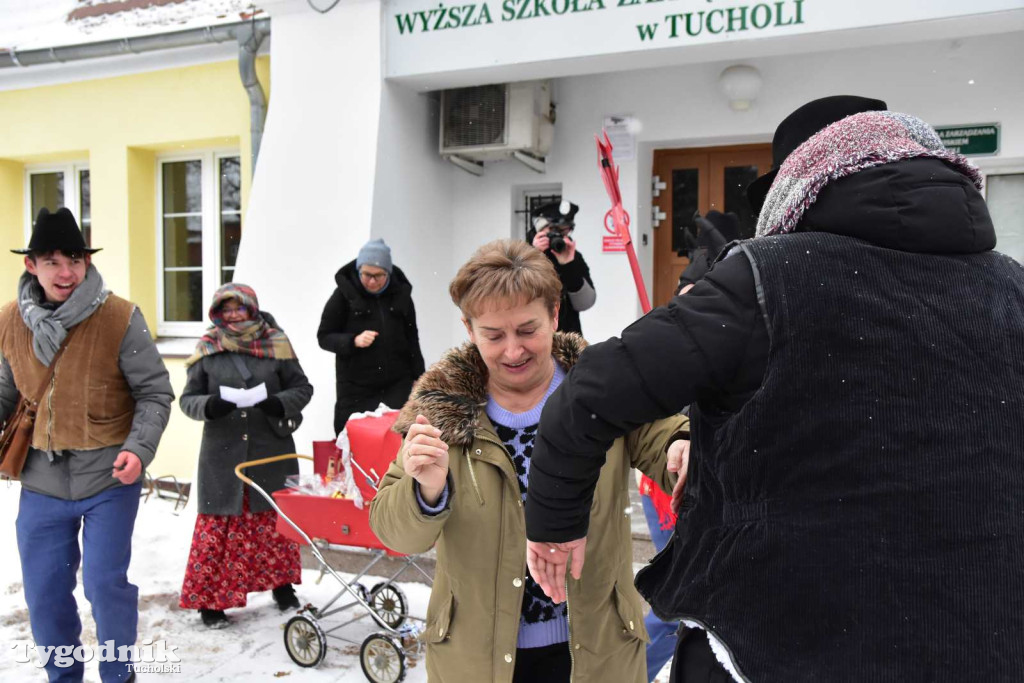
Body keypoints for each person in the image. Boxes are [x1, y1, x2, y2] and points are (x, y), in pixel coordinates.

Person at [524, 96, 1024, 682]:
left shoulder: (769, 278)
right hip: (978, 638)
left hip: (773, 637)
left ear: (799, 185)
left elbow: (591, 392)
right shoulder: (1011, 288)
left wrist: (555, 527)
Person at [369, 239, 686, 682]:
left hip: (598, 654)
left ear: (555, 315)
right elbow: (394, 533)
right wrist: (426, 491)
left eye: (527, 330)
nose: (513, 351)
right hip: (477, 663)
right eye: (494, 335)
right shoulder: (441, 411)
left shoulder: (602, 390)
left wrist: (680, 445)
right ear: (469, 328)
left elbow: (662, 436)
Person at [0, 207, 174, 683]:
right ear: (31, 265)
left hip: (108, 478)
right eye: (52, 261)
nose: (66, 272)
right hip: (41, 482)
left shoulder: (120, 317)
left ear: (87, 261)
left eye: (74, 259)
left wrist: (138, 449)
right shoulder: (10, 321)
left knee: (104, 585)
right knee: (45, 594)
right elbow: (5, 394)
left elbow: (155, 393)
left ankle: (118, 675)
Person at [178, 283, 313, 629]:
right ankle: (210, 603)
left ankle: (282, 587)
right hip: (222, 455)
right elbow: (187, 400)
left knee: (274, 523)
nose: (234, 315)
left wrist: (278, 403)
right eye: (227, 309)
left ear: (252, 308)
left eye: (239, 308)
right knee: (219, 527)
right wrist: (210, 405)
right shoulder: (208, 347)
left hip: (271, 450)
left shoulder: (277, 342)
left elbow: (302, 388)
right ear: (217, 313)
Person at [318, 238, 425, 435]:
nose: (372, 281)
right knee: (357, 439)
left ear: (388, 273)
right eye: (367, 275)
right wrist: (353, 341)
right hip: (356, 388)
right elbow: (324, 337)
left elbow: (412, 337)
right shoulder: (343, 295)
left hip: (397, 384)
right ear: (359, 270)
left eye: (379, 275)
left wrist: (420, 377)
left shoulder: (401, 295)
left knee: (396, 438)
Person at [529, 200, 596, 337]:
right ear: (540, 228)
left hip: (567, 339)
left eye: (565, 231)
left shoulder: (573, 256)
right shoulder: (521, 252)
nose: (559, 236)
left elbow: (585, 303)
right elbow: (513, 295)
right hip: (532, 335)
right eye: (554, 230)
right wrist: (533, 256)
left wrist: (569, 266)